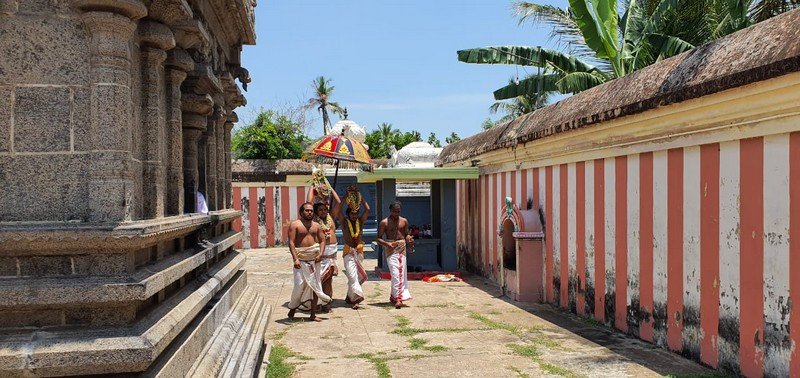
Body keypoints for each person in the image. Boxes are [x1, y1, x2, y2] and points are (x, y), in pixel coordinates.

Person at [287, 202, 331, 321]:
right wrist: (295, 259)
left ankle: (312, 315)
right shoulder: (295, 225)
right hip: (300, 260)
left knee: (315, 287)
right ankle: (292, 308)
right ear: (301, 212)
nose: (309, 212)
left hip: (314, 259)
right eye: (307, 210)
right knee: (299, 286)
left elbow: (322, 241)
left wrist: (321, 254)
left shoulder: (317, 226)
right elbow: (291, 242)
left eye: (311, 210)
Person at [335, 187, 370, 309]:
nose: (354, 216)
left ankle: (349, 297)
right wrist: (344, 197)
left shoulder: (360, 222)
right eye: (352, 214)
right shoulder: (344, 222)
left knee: (357, 276)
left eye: (356, 214)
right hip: (348, 251)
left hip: (359, 251)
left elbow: (368, 209)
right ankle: (356, 299)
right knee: (352, 275)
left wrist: (360, 196)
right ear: (348, 214)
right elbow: (338, 211)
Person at [307, 187, 340, 313]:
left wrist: (330, 189)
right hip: (321, 253)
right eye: (320, 210)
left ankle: (327, 303)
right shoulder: (314, 220)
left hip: (332, 253)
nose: (324, 211)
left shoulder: (331, 217)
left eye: (325, 209)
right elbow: (309, 203)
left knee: (329, 280)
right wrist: (312, 188)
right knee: (319, 279)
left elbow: (338, 202)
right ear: (315, 212)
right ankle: (317, 303)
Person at [377, 201, 414, 309]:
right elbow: (378, 238)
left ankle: (397, 297)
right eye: (394, 211)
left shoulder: (404, 221)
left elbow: (406, 234)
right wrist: (387, 244)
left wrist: (409, 240)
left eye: (398, 211)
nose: (396, 214)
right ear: (390, 211)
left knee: (401, 272)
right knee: (395, 272)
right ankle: (397, 297)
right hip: (390, 248)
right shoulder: (384, 222)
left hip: (402, 247)